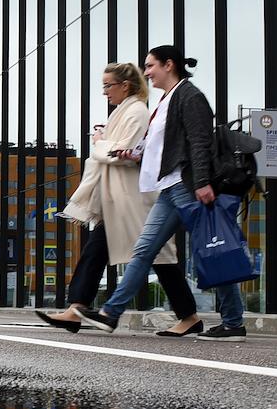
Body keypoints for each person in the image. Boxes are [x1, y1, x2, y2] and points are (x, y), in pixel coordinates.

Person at [75, 47, 247, 341]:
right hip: (168, 187)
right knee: (144, 250)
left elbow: (200, 142)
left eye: (150, 66)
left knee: (212, 250)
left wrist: (202, 182)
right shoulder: (167, 100)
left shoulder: (190, 96)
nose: (146, 73)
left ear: (169, 65)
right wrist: (134, 154)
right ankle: (109, 314)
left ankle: (233, 323)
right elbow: (162, 146)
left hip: (187, 186)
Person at [37, 62, 201, 337]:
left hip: (133, 198)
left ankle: (189, 316)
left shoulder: (136, 112)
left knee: (161, 257)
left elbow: (126, 152)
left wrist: (99, 141)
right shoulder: (124, 111)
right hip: (119, 198)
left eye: (108, 85)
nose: (105, 91)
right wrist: (105, 138)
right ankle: (76, 308)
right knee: (97, 250)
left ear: (125, 85)